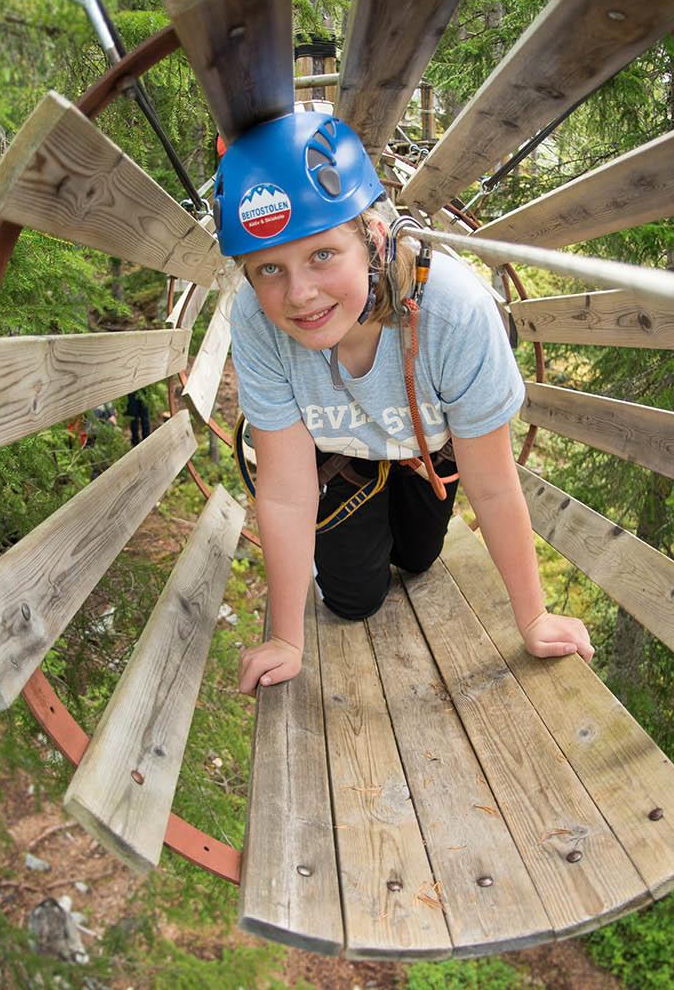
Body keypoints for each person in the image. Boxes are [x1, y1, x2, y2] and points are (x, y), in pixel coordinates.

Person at [220, 108, 593, 695]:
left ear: (371, 237)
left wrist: (533, 618)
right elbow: (288, 491)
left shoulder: (454, 311)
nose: (300, 294)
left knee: (419, 559)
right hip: (340, 457)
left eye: (322, 255)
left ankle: (401, 490)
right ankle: (370, 499)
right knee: (353, 601)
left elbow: (493, 484)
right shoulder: (256, 320)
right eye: (269, 268)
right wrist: (287, 639)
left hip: (428, 448)